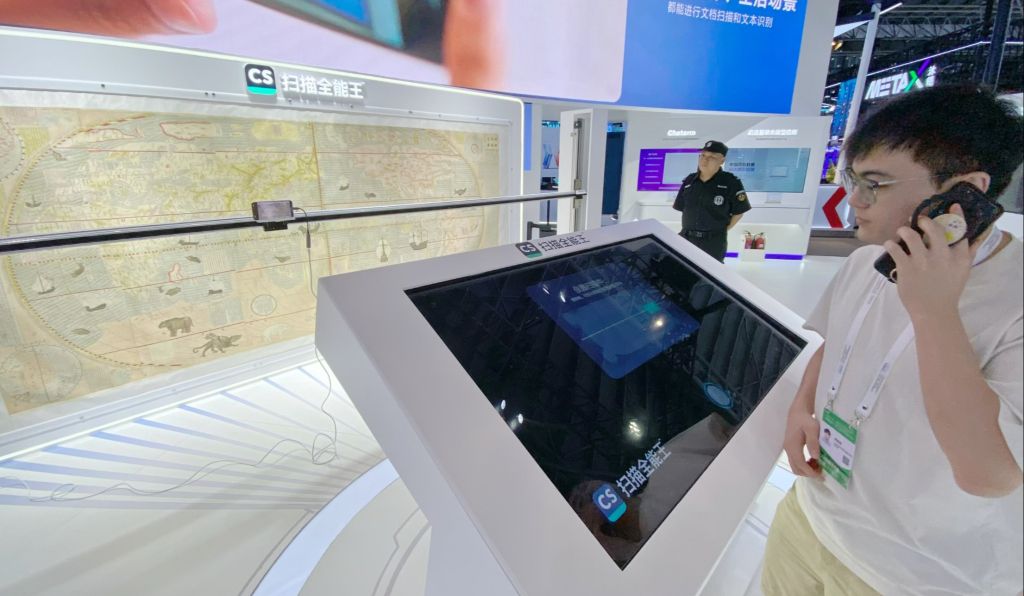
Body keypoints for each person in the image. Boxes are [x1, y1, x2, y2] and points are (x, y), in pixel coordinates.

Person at [762, 86, 1023, 595]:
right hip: (810, 520)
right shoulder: (868, 260)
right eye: (852, 180)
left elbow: (988, 474)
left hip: (914, 576)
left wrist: (934, 312)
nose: (854, 200)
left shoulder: (1014, 298)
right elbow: (835, 343)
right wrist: (802, 406)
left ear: (964, 191)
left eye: (875, 184)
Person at [672, 140, 751, 262]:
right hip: (686, 238)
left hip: (713, 242)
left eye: (712, 157)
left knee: (709, 272)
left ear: (722, 161)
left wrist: (721, 231)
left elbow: (738, 212)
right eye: (703, 155)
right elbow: (682, 207)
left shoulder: (730, 182)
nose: (705, 160)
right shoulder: (689, 181)